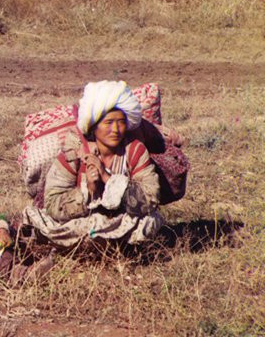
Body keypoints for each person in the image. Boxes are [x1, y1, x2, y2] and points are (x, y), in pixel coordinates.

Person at [22, 80, 163, 246]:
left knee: (150, 221)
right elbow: (52, 203)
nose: (116, 130)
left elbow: (151, 197)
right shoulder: (74, 151)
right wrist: (88, 190)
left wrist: (107, 178)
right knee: (45, 221)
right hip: (82, 222)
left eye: (121, 122)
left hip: (123, 221)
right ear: (93, 125)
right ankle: (101, 242)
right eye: (108, 123)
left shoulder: (134, 150)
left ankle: (95, 243)